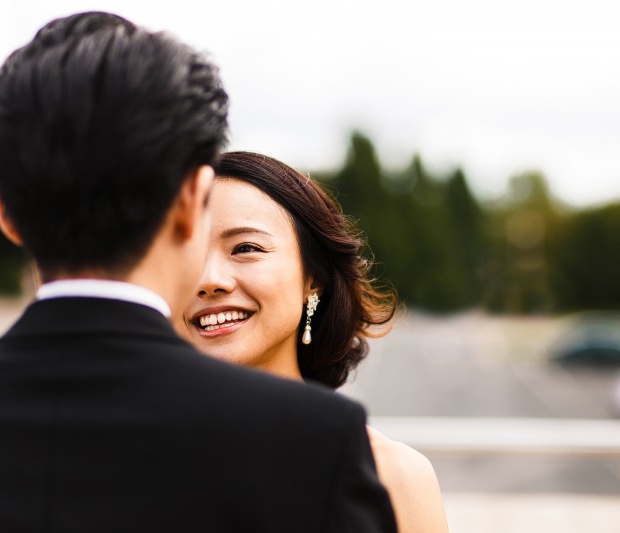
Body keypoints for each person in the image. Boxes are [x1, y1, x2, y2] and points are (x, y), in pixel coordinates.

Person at [0, 12, 396, 533]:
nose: (214, 280)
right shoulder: (311, 443)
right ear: (194, 198)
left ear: (5, 211)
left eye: (246, 249)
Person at [177, 151, 449, 533]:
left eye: (245, 248)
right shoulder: (114, 460)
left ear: (314, 278)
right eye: (186, 253)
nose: (209, 278)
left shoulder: (391, 475)